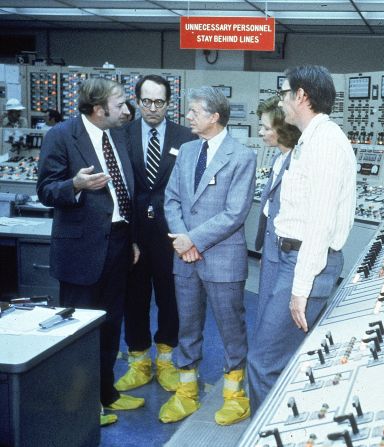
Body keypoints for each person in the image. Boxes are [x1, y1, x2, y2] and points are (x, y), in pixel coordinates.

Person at [247, 65, 356, 411]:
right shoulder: (308, 142)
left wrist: (300, 288)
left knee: (262, 362)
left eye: (284, 93)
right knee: (278, 357)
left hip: (305, 264)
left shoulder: (326, 144)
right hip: (290, 259)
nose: (281, 101)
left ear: (302, 96)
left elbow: (320, 225)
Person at [36, 78, 144, 427]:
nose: (127, 109)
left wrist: (133, 238)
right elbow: (47, 191)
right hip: (81, 251)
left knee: (112, 323)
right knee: (81, 329)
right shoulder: (62, 136)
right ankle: (81, 406)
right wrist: (76, 185)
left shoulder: (119, 134)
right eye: (120, 104)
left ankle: (106, 392)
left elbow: (127, 192)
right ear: (98, 109)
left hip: (118, 241)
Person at [160, 86, 256, 425]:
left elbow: (235, 213)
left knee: (232, 329)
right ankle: (187, 392)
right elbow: (170, 199)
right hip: (184, 257)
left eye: (194, 112)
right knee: (187, 326)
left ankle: (235, 395)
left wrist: (192, 240)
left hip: (222, 258)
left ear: (214, 117)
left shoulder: (242, 156)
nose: (187, 117)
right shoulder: (186, 151)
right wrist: (182, 238)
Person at [115, 75, 196, 394]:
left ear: (168, 104)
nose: (152, 108)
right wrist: (128, 235)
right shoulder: (121, 135)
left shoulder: (186, 136)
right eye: (146, 101)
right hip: (132, 235)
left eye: (159, 102)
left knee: (170, 298)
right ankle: (138, 361)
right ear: (136, 101)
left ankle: (165, 359)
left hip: (171, 234)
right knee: (134, 299)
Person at [246, 96, 301, 407]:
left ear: (283, 130)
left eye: (266, 127)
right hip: (271, 254)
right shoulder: (280, 160)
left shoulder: (297, 163)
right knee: (263, 318)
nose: (261, 131)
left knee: (269, 341)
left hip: (286, 259)